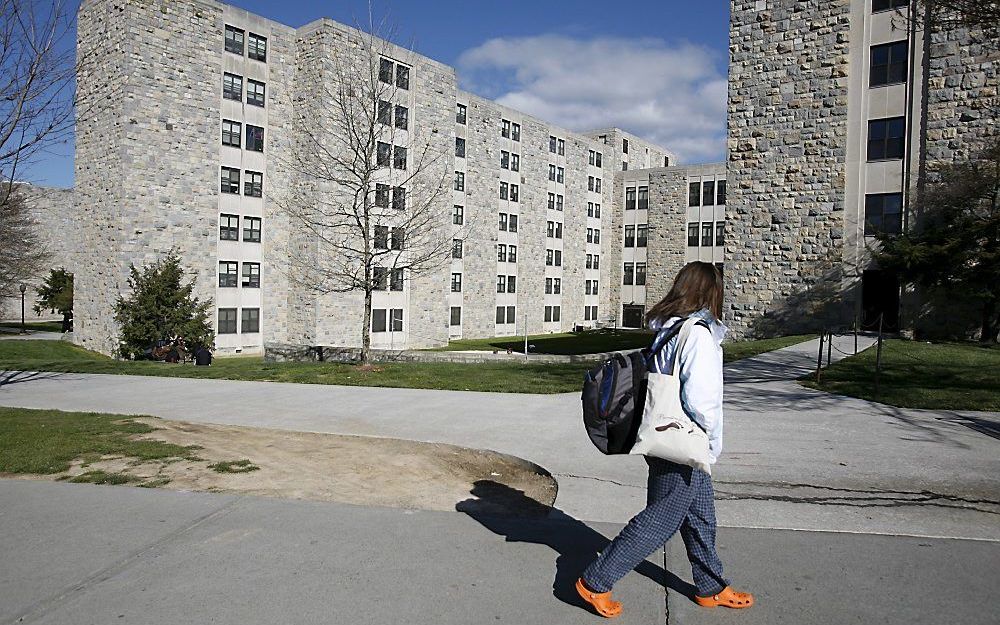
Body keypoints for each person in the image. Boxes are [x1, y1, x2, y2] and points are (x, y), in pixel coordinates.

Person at [575, 261, 754, 617]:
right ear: (710, 293)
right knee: (661, 519)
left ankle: (710, 585)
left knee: (700, 514)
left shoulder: (670, 329)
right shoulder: (698, 334)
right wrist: (711, 443)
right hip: (683, 439)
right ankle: (595, 581)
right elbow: (703, 402)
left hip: (661, 433)